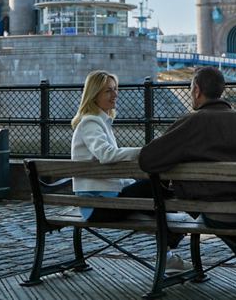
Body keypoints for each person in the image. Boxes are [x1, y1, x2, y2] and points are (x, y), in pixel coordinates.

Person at [138, 66, 236, 290]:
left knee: (214, 207)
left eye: (191, 88)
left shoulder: (192, 122)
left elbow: (148, 159)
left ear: (197, 90)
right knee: (235, 199)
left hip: (221, 213)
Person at [70, 70, 186, 270]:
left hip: (103, 200)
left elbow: (111, 171)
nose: (115, 95)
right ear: (94, 94)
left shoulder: (100, 122)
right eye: (108, 91)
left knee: (153, 194)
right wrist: (143, 152)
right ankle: (173, 236)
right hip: (97, 206)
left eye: (115, 90)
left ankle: (168, 248)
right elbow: (106, 154)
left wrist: (132, 183)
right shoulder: (91, 122)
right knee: (154, 189)